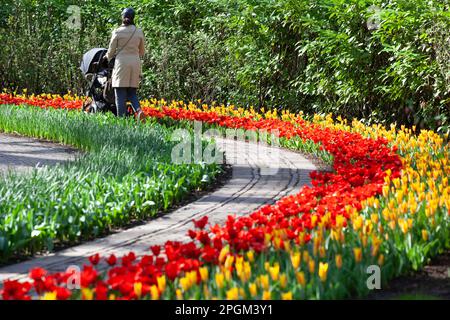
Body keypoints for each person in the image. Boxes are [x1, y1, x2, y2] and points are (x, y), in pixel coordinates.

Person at [105, 8, 145, 118]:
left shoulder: (117, 31)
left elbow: (111, 51)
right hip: (135, 63)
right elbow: (142, 51)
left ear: (122, 17)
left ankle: (121, 120)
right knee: (132, 92)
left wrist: (106, 57)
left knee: (120, 92)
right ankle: (138, 111)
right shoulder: (139, 32)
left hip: (121, 64)